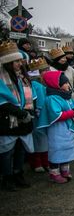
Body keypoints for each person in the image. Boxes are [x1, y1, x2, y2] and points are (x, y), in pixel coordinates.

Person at [0, 41, 36, 191]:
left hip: (23, 117)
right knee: (7, 151)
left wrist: (28, 112)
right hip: (8, 119)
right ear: (8, 62)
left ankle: (18, 173)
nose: (19, 64)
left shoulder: (21, 77)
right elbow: (2, 101)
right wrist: (19, 112)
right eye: (16, 61)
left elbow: (28, 96)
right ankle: (7, 178)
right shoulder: (2, 78)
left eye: (20, 61)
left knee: (21, 149)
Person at [37, 71, 74, 183]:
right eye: (65, 83)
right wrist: (72, 113)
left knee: (67, 148)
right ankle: (54, 173)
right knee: (57, 149)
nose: (68, 85)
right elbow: (56, 114)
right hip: (57, 129)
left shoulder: (67, 96)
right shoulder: (51, 98)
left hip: (67, 128)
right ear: (56, 84)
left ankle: (65, 169)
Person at [27, 58, 50, 173]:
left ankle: (44, 161)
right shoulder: (37, 85)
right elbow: (38, 101)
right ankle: (37, 162)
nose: (48, 72)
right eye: (45, 70)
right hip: (39, 115)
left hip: (43, 114)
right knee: (39, 139)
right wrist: (40, 111)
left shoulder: (42, 84)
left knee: (43, 139)